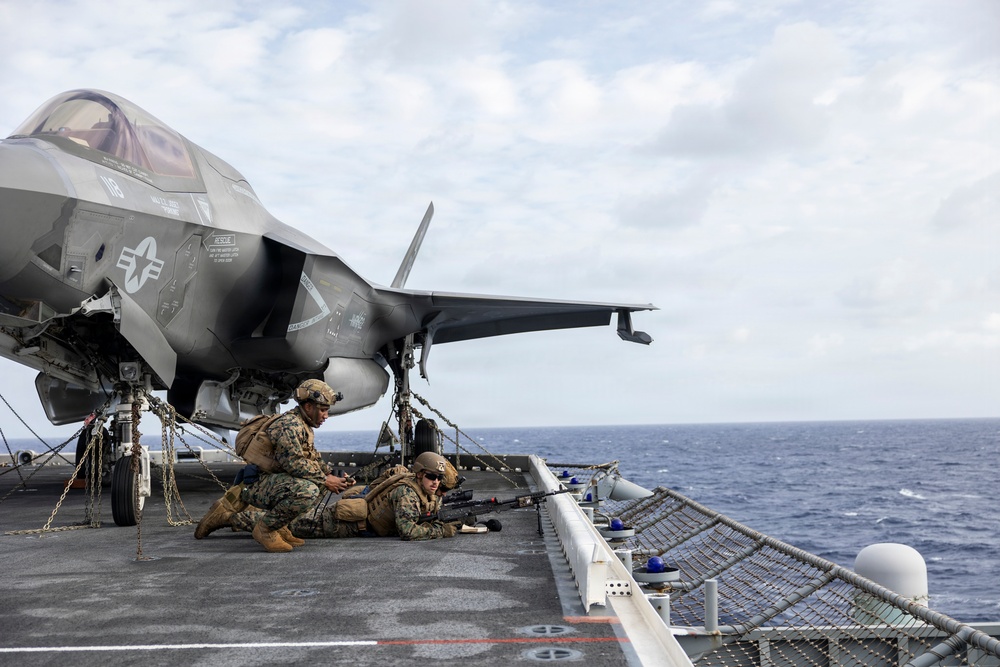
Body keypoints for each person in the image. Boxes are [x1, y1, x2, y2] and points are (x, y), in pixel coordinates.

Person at [195, 379, 351, 552]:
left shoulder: (303, 426)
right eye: (322, 410)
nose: (325, 416)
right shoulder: (288, 426)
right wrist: (326, 480)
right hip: (256, 484)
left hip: (272, 482)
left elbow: (312, 458)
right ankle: (265, 530)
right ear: (308, 407)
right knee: (308, 490)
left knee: (319, 486)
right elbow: (294, 464)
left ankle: (280, 526)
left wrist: (333, 475)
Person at [223, 451, 461, 541]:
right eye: (432, 477)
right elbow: (407, 531)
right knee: (291, 524)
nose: (436, 482)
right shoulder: (407, 492)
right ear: (420, 475)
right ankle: (231, 518)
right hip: (345, 525)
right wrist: (443, 530)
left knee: (292, 520)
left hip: (357, 519)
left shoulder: (415, 484)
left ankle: (245, 514)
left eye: (439, 480)